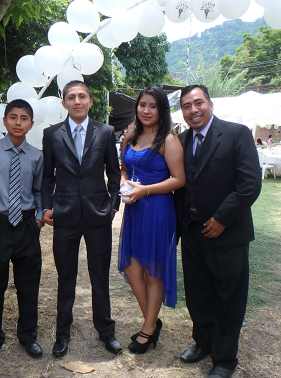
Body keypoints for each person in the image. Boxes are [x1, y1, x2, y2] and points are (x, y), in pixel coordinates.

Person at [174, 85, 261, 378]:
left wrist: (223, 218)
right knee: (198, 293)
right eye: (186, 106)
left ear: (210, 104)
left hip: (228, 234)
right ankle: (203, 343)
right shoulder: (182, 140)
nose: (193, 110)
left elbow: (249, 184)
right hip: (193, 233)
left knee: (229, 296)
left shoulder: (237, 134)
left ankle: (224, 359)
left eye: (198, 103)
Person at [41, 80, 122, 357]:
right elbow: (47, 176)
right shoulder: (51, 134)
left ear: (90, 101)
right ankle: (62, 334)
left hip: (98, 214)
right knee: (66, 278)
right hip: (64, 215)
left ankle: (106, 331)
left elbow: (114, 171)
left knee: (100, 277)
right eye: (71, 97)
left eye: (82, 96)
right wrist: (46, 206)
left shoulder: (106, 131)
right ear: (64, 103)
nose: (77, 101)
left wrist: (113, 204)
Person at [0, 99, 45, 362]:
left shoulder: (37, 155)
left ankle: (28, 335)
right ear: (4, 121)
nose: (18, 122)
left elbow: (39, 192)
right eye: (12, 117)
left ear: (31, 123)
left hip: (26, 226)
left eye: (24, 118)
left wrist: (37, 220)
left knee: (29, 284)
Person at [118, 87, 185, 354]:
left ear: (161, 111)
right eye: (142, 105)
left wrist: (144, 190)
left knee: (152, 271)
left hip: (157, 209)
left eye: (153, 106)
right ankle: (152, 320)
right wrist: (125, 184)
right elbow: (124, 168)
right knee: (132, 269)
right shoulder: (131, 136)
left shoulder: (168, 140)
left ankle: (147, 329)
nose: (146, 111)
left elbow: (179, 179)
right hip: (133, 208)